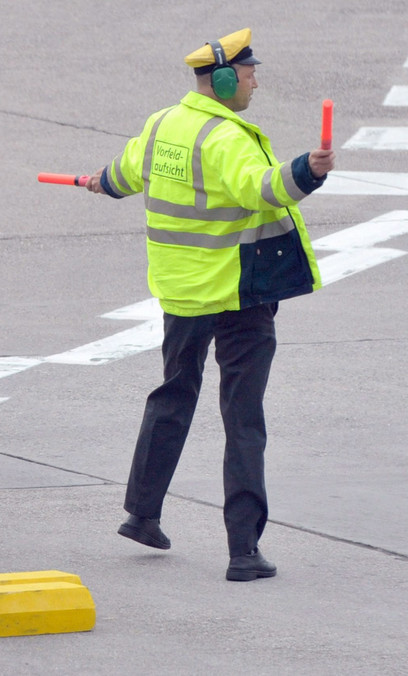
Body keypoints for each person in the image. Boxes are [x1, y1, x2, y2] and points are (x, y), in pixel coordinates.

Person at [85, 28, 334, 581]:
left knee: (173, 395)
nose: (254, 81)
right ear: (223, 80)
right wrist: (306, 172)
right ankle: (243, 551)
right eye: (248, 73)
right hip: (238, 294)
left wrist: (99, 181)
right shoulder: (225, 138)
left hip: (182, 295)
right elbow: (260, 190)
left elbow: (124, 175)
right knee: (243, 417)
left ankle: (142, 514)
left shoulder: (161, 125)